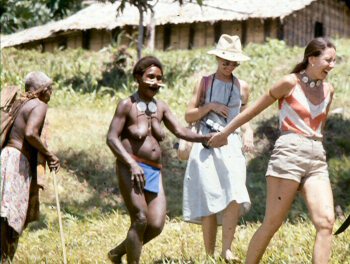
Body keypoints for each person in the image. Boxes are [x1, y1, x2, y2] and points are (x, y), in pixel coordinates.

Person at [208, 37, 336, 264]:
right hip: (288, 154)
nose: (331, 65)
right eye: (328, 60)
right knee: (272, 223)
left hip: (317, 158)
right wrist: (226, 133)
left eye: (334, 61)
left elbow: (320, 127)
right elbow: (253, 110)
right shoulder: (289, 83)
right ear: (312, 58)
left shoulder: (329, 90)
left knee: (326, 223)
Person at [106, 56, 211, 264]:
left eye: (159, 78)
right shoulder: (126, 105)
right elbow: (111, 138)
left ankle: (117, 253)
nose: (155, 82)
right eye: (150, 77)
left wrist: (204, 138)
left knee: (155, 225)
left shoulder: (161, 107)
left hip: (154, 169)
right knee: (140, 219)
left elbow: (180, 130)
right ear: (138, 77)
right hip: (132, 167)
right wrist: (132, 164)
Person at [182, 34, 254, 261]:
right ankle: (209, 253)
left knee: (234, 193)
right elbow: (188, 114)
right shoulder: (204, 82)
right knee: (209, 196)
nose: (229, 66)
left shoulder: (242, 86)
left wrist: (248, 132)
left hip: (231, 142)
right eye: (225, 61)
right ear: (217, 59)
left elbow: (245, 115)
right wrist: (211, 106)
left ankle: (227, 249)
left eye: (234, 62)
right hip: (206, 141)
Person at [1, 71, 60, 262]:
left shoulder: (21, 104)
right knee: (9, 216)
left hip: (6, 158)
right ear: (40, 90)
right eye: (49, 88)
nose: (51, 92)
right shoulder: (39, 105)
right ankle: (5, 257)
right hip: (17, 161)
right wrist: (50, 155)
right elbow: (31, 133)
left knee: (5, 212)